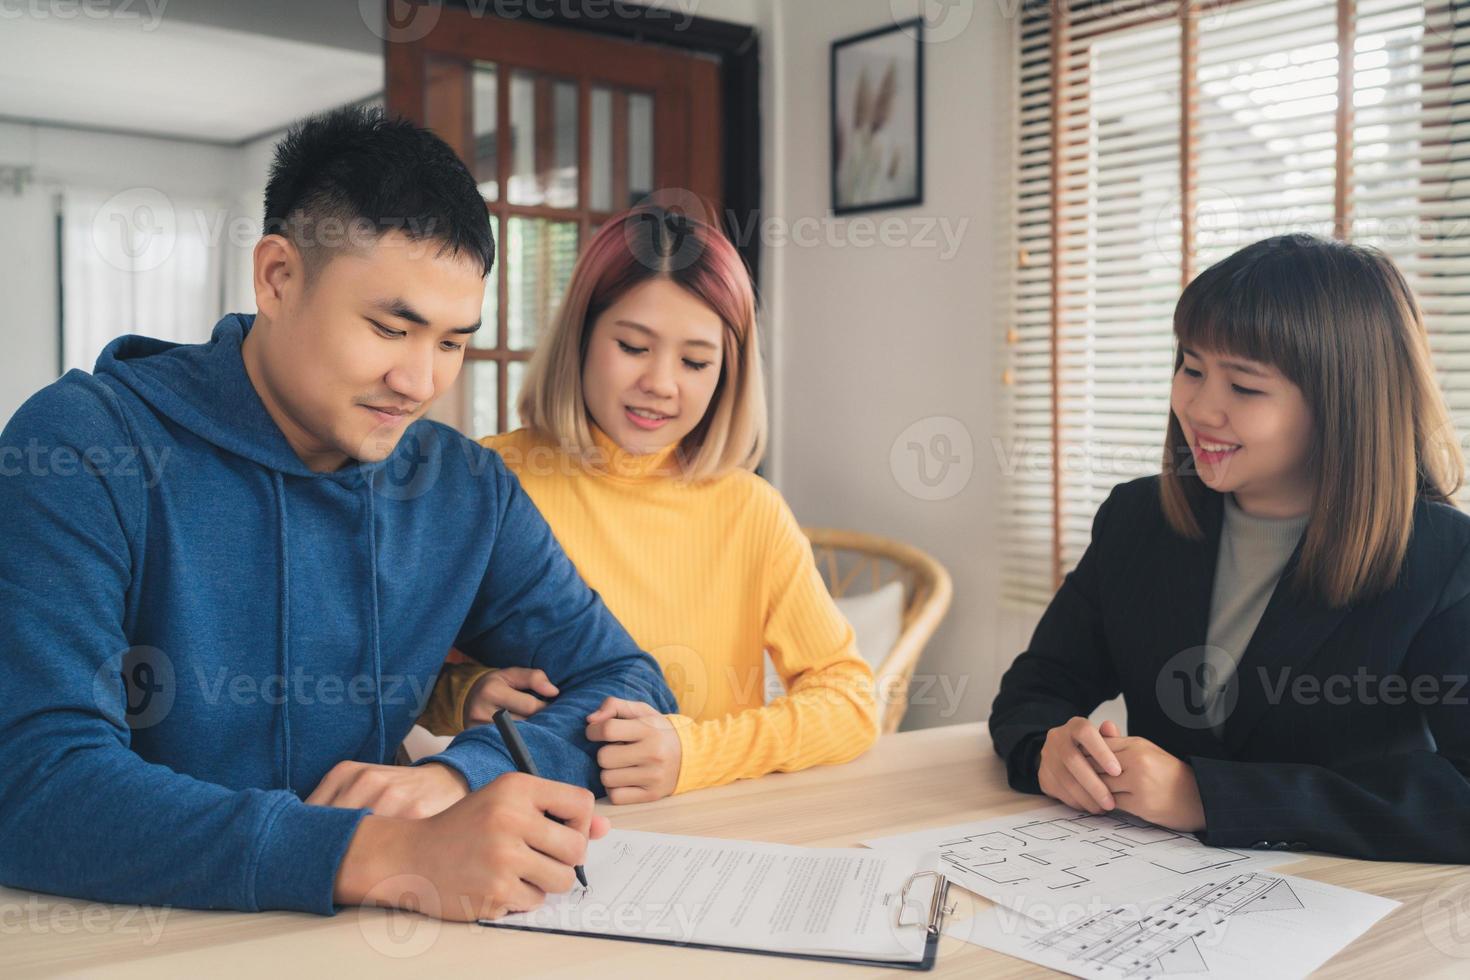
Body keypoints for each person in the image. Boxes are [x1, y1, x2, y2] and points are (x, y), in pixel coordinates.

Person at [0, 106, 676, 921]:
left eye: (453, 343)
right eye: (391, 328)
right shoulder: (82, 446)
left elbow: (626, 682)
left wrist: (458, 777)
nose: (421, 381)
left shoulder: (464, 489)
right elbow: (37, 783)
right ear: (279, 277)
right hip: (119, 934)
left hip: (362, 940)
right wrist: (383, 851)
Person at [990, 233, 1470, 863]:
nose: (1198, 406)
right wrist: (1049, 748)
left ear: (1341, 405)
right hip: (1141, 893)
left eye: (1244, 387)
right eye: (1190, 367)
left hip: (1343, 907)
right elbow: (1036, 691)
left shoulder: (1440, 557)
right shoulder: (1138, 518)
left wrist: (1209, 796)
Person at [413, 208, 879, 803]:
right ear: (580, 338)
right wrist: (465, 694)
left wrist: (698, 753)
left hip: (701, 831)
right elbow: (398, 673)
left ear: (728, 374)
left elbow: (849, 699)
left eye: (695, 361)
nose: (661, 382)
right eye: (633, 346)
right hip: (527, 822)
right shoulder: (489, 480)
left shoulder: (750, 510)